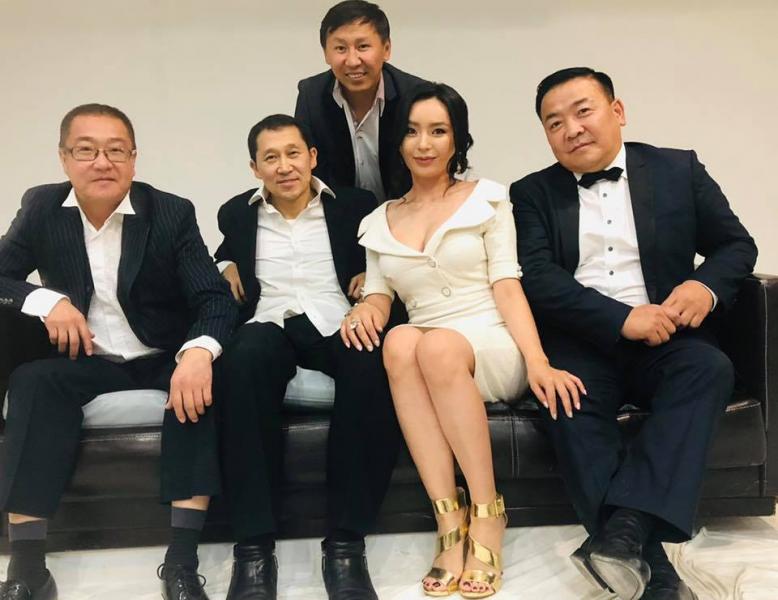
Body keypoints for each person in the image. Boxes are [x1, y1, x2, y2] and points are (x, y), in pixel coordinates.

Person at [511, 67, 758, 600]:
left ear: (617, 111)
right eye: (555, 123)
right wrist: (619, 318)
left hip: (668, 333)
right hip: (581, 338)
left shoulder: (677, 169)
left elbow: (737, 245)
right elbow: (538, 277)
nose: (572, 129)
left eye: (583, 111)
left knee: (709, 368)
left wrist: (703, 287)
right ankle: (654, 572)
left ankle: (624, 529)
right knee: (567, 400)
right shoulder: (530, 192)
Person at [345, 82, 583, 599]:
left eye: (438, 131)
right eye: (412, 132)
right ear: (398, 142)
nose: (423, 143)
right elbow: (381, 296)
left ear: (457, 140)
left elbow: (507, 285)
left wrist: (538, 361)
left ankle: (488, 512)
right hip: (428, 343)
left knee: (434, 345)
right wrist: (365, 307)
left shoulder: (488, 199)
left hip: (489, 339)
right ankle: (448, 518)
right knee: (399, 341)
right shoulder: (378, 221)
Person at [0, 104, 236, 600]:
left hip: (162, 353)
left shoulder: (169, 212)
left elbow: (213, 298)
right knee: (32, 382)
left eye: (115, 150)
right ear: (64, 158)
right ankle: (27, 569)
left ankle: (181, 564)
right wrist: (47, 301)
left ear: (133, 158)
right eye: (86, 150)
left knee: (199, 387)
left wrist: (197, 353)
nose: (102, 162)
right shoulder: (42, 208)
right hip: (87, 359)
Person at [214, 114, 400, 600]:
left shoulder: (356, 206)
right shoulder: (235, 213)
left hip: (337, 320)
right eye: (270, 157)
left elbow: (388, 254)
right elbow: (223, 250)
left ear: (312, 157)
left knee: (369, 363)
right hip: (269, 323)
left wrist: (372, 280)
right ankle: (253, 551)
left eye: (293, 153)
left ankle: (346, 545)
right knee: (241, 361)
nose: (284, 166)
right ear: (255, 168)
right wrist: (225, 263)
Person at [295, 0, 425, 202]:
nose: (353, 61)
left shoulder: (415, 95)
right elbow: (306, 168)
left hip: (407, 210)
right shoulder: (311, 95)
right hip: (340, 213)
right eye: (340, 48)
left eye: (363, 46)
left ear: (386, 48)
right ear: (326, 54)